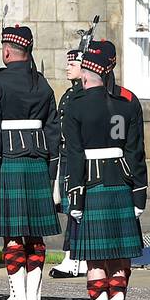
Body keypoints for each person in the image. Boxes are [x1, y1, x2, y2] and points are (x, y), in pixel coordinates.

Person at [64, 41, 147, 300]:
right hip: (122, 186)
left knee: (96, 261)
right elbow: (136, 152)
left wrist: (74, 196)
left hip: (93, 187)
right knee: (120, 259)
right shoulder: (129, 101)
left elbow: (74, 157)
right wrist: (139, 194)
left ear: (87, 72)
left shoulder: (76, 104)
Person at [0, 24, 60, 300]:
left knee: (13, 234)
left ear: (6, 51)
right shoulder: (42, 83)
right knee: (35, 234)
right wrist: (52, 169)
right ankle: (33, 298)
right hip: (38, 162)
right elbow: (53, 130)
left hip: (10, 161)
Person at [50, 48, 88, 280]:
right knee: (70, 209)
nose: (68, 67)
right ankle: (74, 256)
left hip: (75, 155)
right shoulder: (68, 93)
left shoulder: (81, 94)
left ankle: (75, 257)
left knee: (77, 208)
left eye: (72, 64)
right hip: (65, 153)